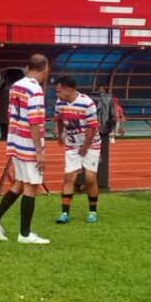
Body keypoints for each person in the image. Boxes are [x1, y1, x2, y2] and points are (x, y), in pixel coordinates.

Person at [0, 54, 51, 245]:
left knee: (20, 184)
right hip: (28, 144)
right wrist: (39, 151)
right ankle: (25, 234)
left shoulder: (16, 85)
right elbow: (35, 122)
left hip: (15, 141)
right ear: (44, 70)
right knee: (31, 186)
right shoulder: (35, 90)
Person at [53, 76, 100, 224]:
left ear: (69, 90)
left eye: (59, 91)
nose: (57, 94)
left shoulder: (87, 103)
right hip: (72, 145)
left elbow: (93, 127)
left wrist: (85, 147)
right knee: (69, 177)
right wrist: (60, 134)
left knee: (90, 178)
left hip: (91, 144)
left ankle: (92, 211)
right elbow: (59, 119)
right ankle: (64, 213)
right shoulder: (59, 103)